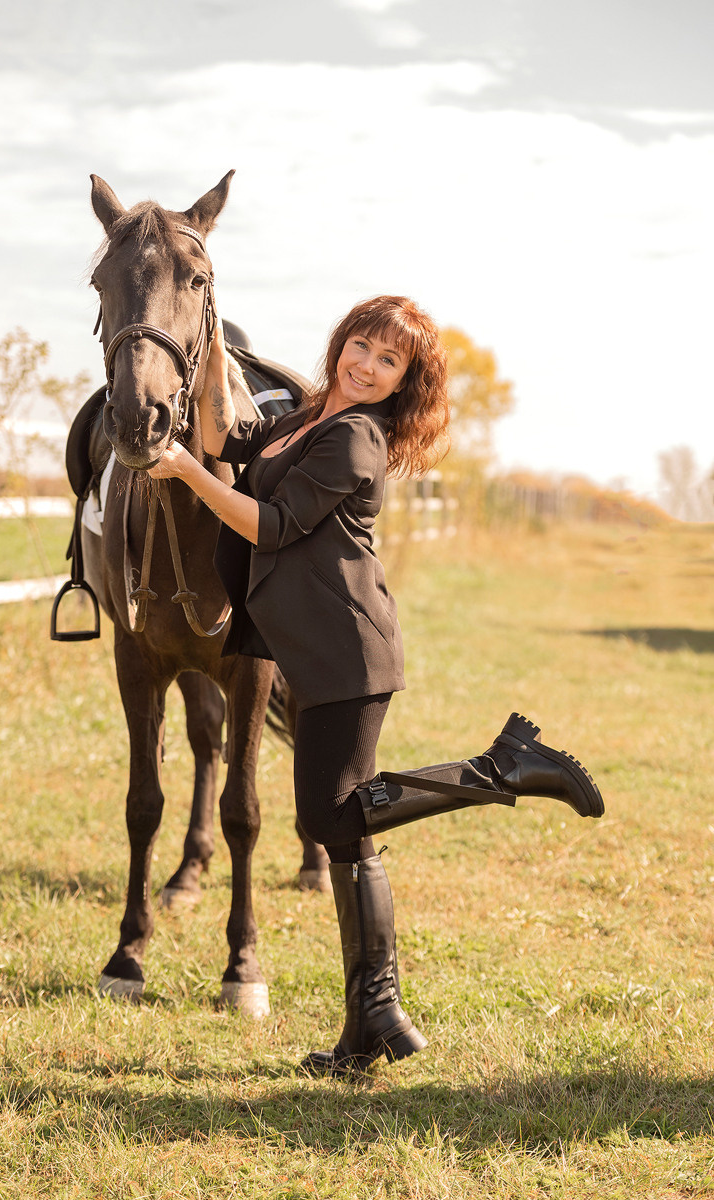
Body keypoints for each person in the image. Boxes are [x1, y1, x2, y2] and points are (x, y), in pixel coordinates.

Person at [148, 295, 604, 1076]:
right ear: (341, 344)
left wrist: (186, 471)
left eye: (387, 361)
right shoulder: (315, 412)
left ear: (404, 383)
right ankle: (374, 1024)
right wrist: (213, 339)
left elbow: (268, 524)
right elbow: (230, 434)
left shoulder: (356, 437)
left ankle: (506, 769)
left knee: (332, 816)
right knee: (348, 837)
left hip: (345, 651)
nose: (365, 364)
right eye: (360, 345)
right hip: (315, 645)